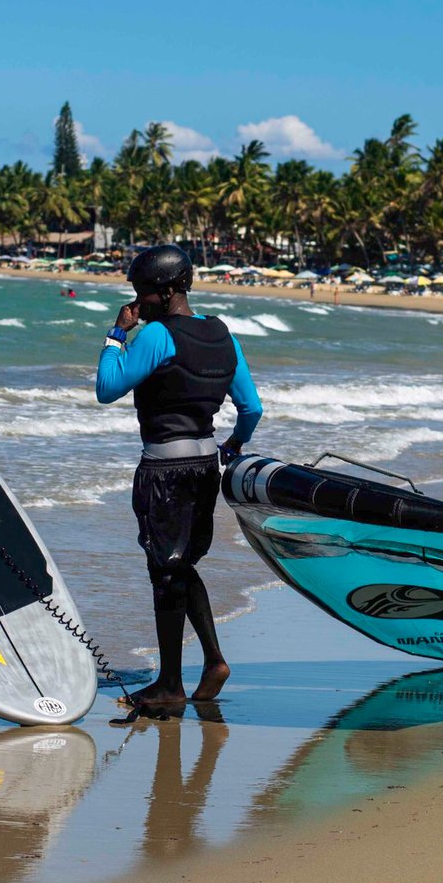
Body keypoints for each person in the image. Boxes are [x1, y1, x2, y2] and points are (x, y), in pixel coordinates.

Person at [96, 244, 262, 706]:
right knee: (180, 565)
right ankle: (213, 661)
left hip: (165, 469)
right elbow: (251, 407)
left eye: (143, 293)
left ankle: (170, 685)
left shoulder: (154, 335)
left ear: (167, 291)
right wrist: (234, 443)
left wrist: (115, 335)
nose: (137, 302)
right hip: (206, 464)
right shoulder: (223, 335)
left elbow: (107, 388)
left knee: (165, 571)